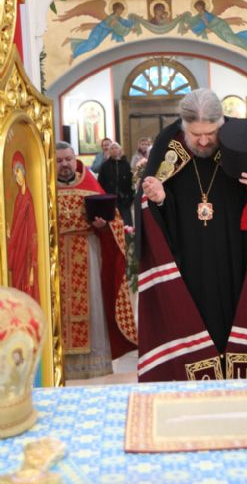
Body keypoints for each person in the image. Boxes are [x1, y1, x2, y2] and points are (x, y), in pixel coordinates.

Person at [135, 89, 247, 382]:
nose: (203, 141)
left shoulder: (242, 142)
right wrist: (160, 199)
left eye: (210, 133)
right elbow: (151, 213)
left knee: (237, 324)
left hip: (237, 261)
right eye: (195, 135)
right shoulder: (168, 145)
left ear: (221, 124)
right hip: (189, 264)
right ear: (183, 127)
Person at [56, 141, 137, 380]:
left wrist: (104, 225)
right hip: (55, 258)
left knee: (91, 307)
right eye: (59, 160)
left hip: (87, 254)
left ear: (75, 159)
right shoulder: (45, 187)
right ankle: (59, 363)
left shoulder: (90, 185)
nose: (64, 164)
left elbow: (115, 219)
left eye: (68, 159)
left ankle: (92, 365)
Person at [7, 151, 40, 303]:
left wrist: (33, 266)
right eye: (15, 175)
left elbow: (33, 231)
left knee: (25, 288)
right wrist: (10, 234)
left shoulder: (28, 199)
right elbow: (16, 225)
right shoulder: (18, 198)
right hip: (18, 250)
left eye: (19, 172)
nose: (18, 178)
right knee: (16, 286)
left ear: (24, 171)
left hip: (26, 252)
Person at [98, 142, 134, 226]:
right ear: (109, 151)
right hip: (110, 199)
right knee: (112, 223)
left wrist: (130, 197)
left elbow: (131, 181)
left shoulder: (126, 164)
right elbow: (100, 183)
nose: (114, 150)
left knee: (126, 223)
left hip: (124, 198)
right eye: (112, 148)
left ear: (120, 150)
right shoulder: (105, 165)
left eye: (116, 148)